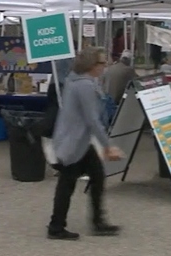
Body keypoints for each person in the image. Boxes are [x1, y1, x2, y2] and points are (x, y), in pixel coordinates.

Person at [47, 47, 122, 240]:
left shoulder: (77, 81)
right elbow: (92, 119)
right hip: (74, 143)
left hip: (75, 141)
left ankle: (97, 221)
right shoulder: (85, 86)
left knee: (95, 177)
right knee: (67, 184)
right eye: (101, 63)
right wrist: (107, 145)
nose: (104, 67)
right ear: (91, 65)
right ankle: (57, 226)